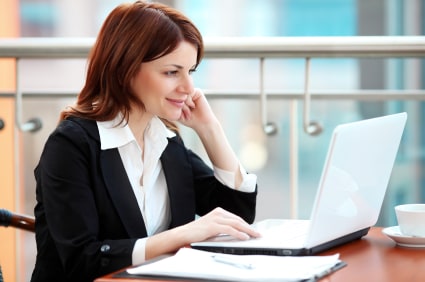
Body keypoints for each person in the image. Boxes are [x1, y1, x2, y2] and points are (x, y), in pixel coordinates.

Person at [30, 1, 260, 281]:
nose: (188, 88)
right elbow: (82, 260)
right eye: (172, 72)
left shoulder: (165, 143)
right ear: (125, 69)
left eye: (191, 72)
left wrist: (210, 129)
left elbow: (236, 216)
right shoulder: (71, 146)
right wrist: (181, 235)